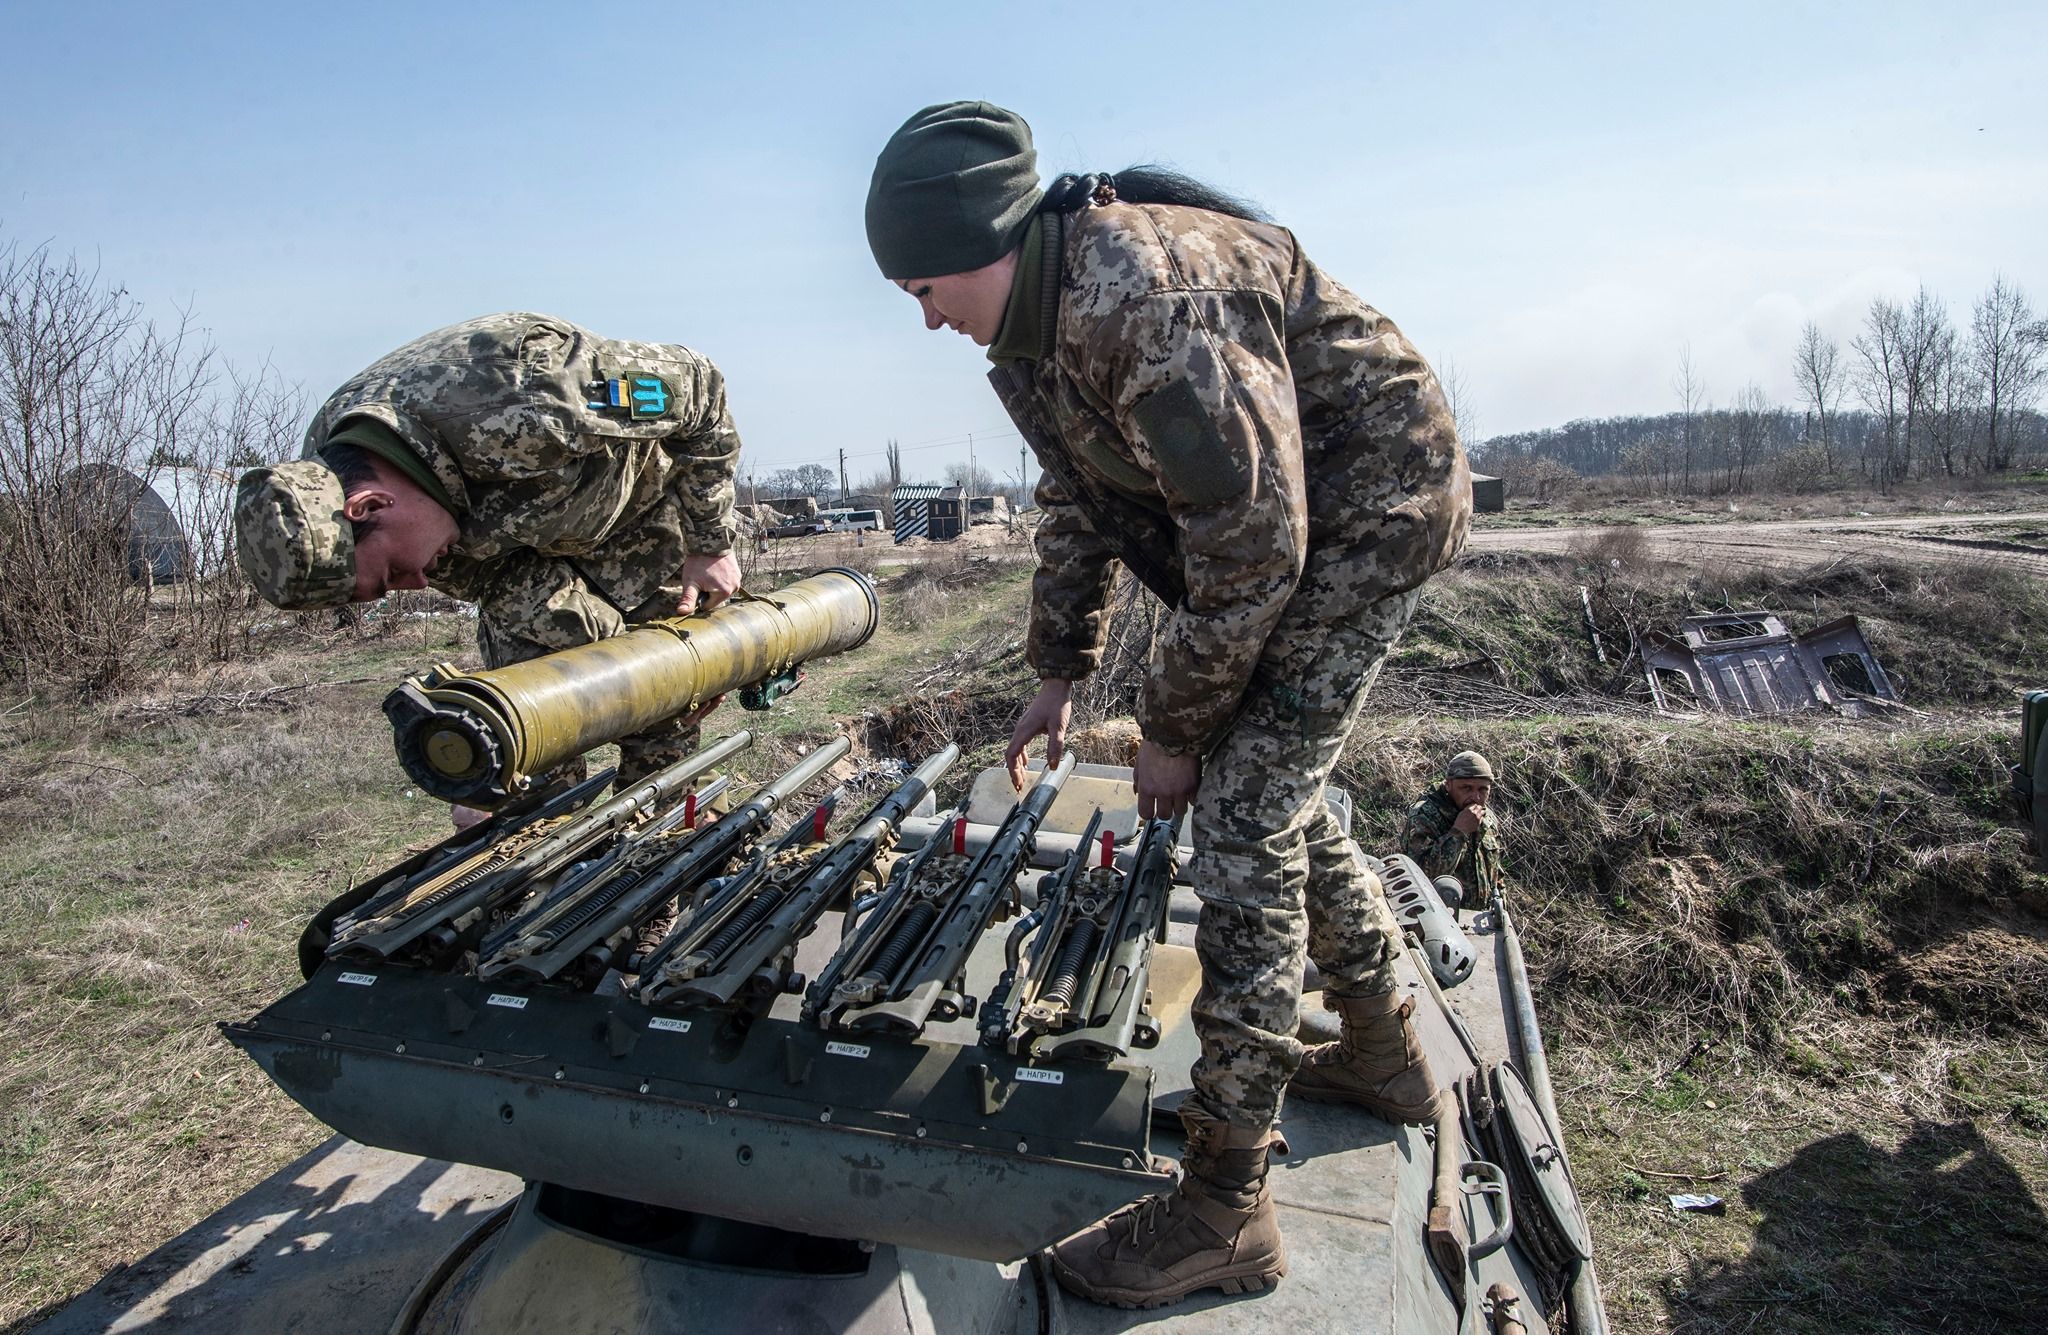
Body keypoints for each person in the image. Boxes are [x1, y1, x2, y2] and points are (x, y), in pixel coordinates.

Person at [865, 101, 1472, 1308]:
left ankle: (1223, 1204)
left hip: (1365, 517)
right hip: (1280, 537)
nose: (925, 317)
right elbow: (1077, 501)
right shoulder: (1031, 335)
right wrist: (1057, 670)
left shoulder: (1145, 298)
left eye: (925, 288)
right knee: (1274, 794)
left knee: (1244, 821)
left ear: (986, 243)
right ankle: (1383, 1051)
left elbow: (1251, 549)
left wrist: (1172, 735)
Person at [233, 311, 742, 822]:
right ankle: (542, 837)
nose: (419, 583)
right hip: (521, 562)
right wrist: (614, 652)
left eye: (393, 574)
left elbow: (701, 390)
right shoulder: (320, 482)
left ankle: (674, 835)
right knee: (535, 736)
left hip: (644, 525)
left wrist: (710, 543)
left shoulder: (530, 391)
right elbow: (493, 582)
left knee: (667, 723)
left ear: (370, 505)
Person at [1401, 751, 1506, 910]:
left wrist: (1501, 912)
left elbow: (1497, 877)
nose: (1476, 797)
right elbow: (1421, 878)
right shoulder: (1424, 816)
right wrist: (1459, 832)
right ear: (1448, 784)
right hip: (1436, 917)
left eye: (1483, 789)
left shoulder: (1487, 819)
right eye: (1466, 788)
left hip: (1479, 919)